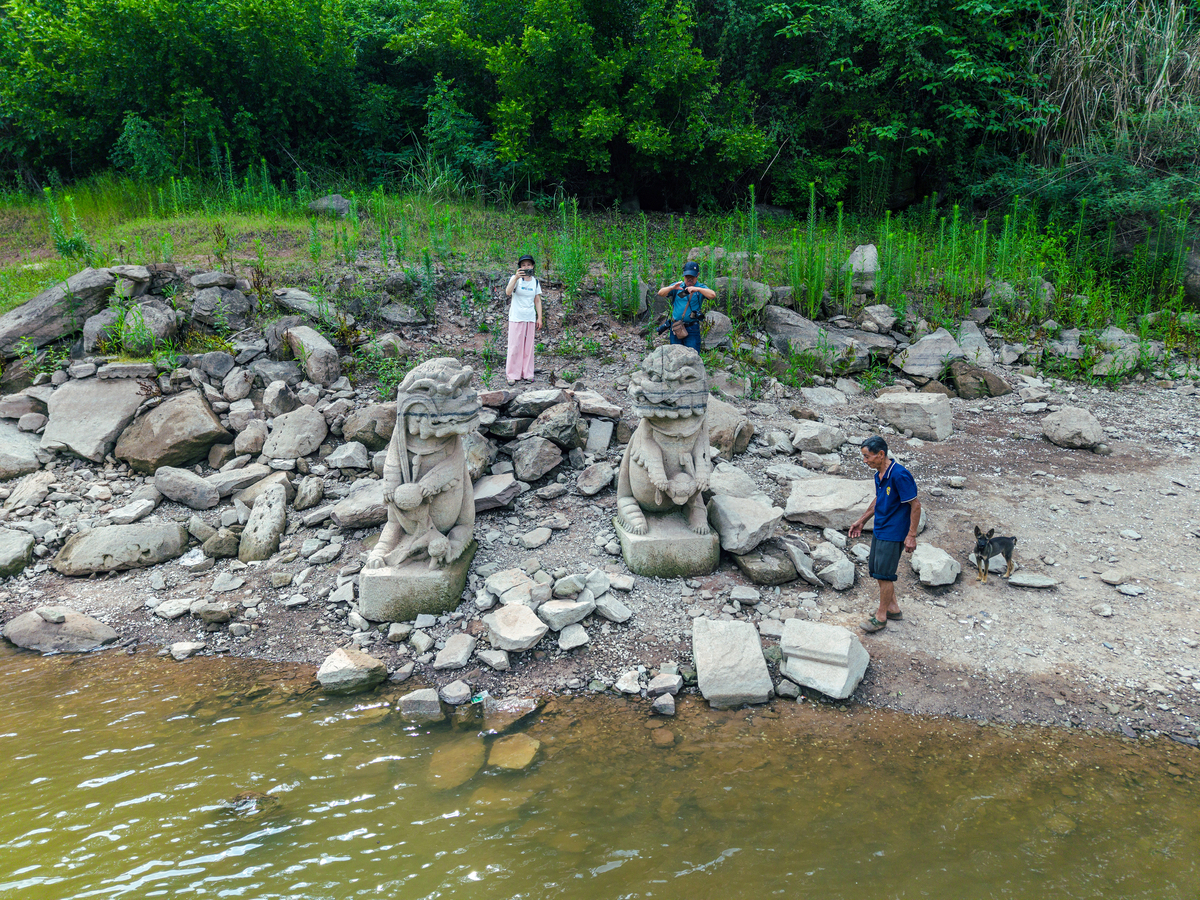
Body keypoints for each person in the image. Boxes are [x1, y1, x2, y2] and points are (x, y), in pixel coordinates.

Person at [848, 436, 921, 633]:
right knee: (878, 570)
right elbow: (879, 499)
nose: (865, 461)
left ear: (881, 454)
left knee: (885, 574)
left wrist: (911, 535)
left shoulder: (899, 475)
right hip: (881, 527)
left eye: (867, 456)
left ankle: (881, 617)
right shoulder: (879, 474)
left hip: (894, 531)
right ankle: (893, 608)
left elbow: (915, 505)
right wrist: (862, 520)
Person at [656, 260, 714, 352]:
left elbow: (712, 295)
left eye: (692, 276)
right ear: (684, 275)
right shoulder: (678, 286)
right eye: (687, 277)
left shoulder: (700, 288)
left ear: (697, 275)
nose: (689, 279)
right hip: (676, 327)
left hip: (692, 328)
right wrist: (672, 288)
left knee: (693, 357)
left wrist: (697, 289)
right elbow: (660, 293)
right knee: (675, 356)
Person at [504, 253, 543, 384]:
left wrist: (540, 318)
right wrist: (515, 277)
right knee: (515, 346)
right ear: (520, 267)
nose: (526, 267)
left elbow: (537, 300)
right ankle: (512, 374)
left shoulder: (535, 282)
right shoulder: (516, 280)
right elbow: (508, 292)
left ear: (532, 266)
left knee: (528, 347)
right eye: (523, 265)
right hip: (516, 317)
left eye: (529, 264)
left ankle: (527, 373)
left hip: (530, 318)